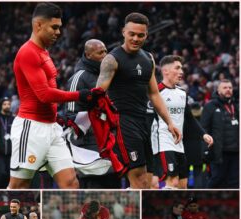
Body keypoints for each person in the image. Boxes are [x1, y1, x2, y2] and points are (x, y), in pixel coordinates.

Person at [9, 2, 100, 189]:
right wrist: (80, 95)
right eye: (54, 27)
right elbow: (43, 94)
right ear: (38, 25)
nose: (58, 32)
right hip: (31, 127)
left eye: (59, 27)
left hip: (52, 128)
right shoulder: (28, 52)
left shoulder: (43, 52)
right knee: (19, 186)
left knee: (70, 183)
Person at [96, 12, 181, 188]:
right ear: (123, 32)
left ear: (146, 35)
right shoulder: (111, 60)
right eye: (131, 34)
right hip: (123, 122)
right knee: (140, 180)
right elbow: (97, 95)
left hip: (144, 122)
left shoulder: (148, 58)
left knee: (149, 182)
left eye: (140, 35)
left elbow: (154, 94)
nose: (136, 38)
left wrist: (170, 123)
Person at [64, 39, 121, 188]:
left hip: (109, 141)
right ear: (88, 54)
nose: (105, 55)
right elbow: (71, 117)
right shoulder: (79, 77)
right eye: (100, 52)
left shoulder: (109, 75)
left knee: (113, 184)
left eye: (105, 51)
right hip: (89, 145)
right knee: (93, 186)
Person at [151, 55, 213, 189]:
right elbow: (147, 119)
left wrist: (203, 134)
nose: (181, 72)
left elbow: (189, 118)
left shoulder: (182, 93)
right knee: (172, 182)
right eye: (177, 68)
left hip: (179, 145)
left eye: (182, 68)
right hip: (163, 143)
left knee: (182, 185)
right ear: (165, 71)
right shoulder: (155, 92)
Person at [201, 79, 239, 188]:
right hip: (218, 152)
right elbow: (204, 129)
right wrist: (205, 151)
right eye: (225, 88)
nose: (228, 90)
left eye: (230, 88)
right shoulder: (210, 106)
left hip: (236, 153)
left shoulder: (236, 106)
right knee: (217, 179)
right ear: (218, 90)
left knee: (235, 182)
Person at [0, 97, 15, 188]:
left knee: (9, 175)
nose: (7, 106)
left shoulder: (14, 119)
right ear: (1, 106)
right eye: (5, 104)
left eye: (9, 104)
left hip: (11, 153)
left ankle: (6, 193)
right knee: (0, 173)